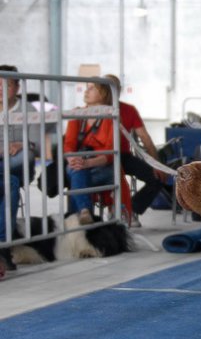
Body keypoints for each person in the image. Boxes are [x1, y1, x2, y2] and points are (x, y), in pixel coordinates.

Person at [1, 65, 51, 272]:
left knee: (22, 157)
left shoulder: (28, 110)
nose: (2, 89)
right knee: (8, 184)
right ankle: (4, 248)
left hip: (18, 163)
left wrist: (22, 143)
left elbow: (36, 144)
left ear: (17, 87)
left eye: (8, 84)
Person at [104, 74, 169, 221]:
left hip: (123, 156)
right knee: (112, 179)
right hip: (101, 157)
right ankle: (107, 210)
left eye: (116, 88)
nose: (113, 91)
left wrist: (157, 164)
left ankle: (130, 208)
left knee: (158, 178)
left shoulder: (129, 110)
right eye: (108, 87)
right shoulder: (93, 110)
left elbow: (145, 138)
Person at [63, 81, 118, 225]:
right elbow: (68, 145)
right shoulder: (77, 112)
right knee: (77, 171)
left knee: (78, 177)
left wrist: (87, 163)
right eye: (86, 88)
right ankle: (85, 212)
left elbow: (111, 153)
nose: (86, 92)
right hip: (78, 163)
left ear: (104, 94)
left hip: (103, 166)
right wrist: (72, 159)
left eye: (92, 89)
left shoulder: (112, 115)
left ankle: (74, 223)